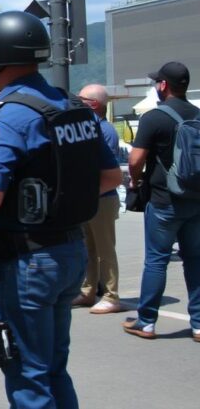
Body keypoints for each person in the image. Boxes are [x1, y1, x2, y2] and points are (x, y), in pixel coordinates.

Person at [0, 10, 121, 408]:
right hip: (69, 250)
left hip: (26, 260)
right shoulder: (71, 105)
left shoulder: (10, 115)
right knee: (54, 368)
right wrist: (53, 201)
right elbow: (111, 176)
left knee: (28, 376)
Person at [126, 61, 200, 340]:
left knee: (157, 261)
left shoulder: (154, 118)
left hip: (163, 200)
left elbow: (135, 160)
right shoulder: (198, 115)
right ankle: (199, 324)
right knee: (195, 260)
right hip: (195, 199)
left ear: (164, 85)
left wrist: (135, 181)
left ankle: (146, 322)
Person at [71, 84, 124, 314]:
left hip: (103, 197)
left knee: (104, 249)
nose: (76, 100)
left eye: (80, 98)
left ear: (93, 104)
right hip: (90, 197)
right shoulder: (89, 127)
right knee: (88, 249)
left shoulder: (104, 130)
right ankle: (88, 290)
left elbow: (102, 166)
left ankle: (111, 295)